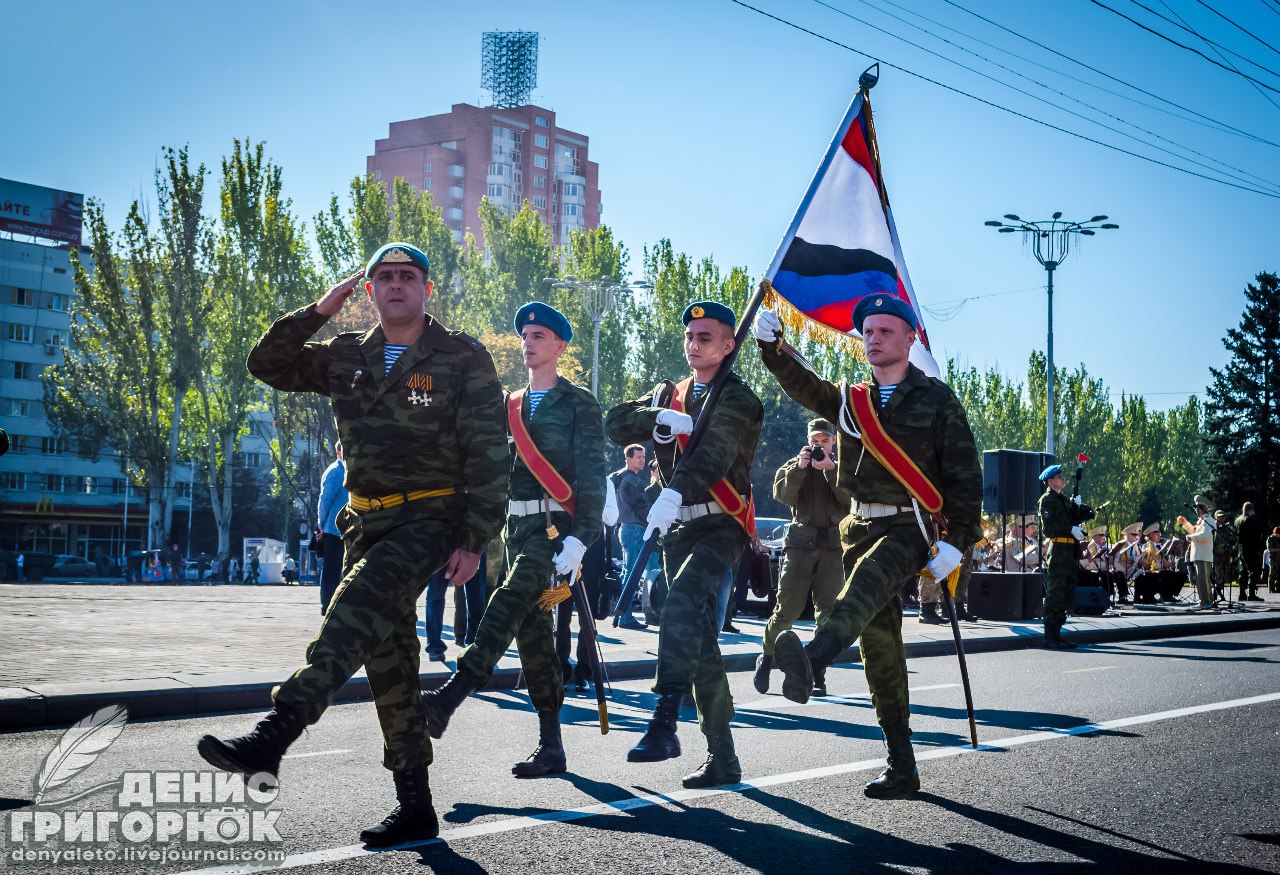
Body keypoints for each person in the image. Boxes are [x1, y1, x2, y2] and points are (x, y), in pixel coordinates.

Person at [196, 242, 508, 847]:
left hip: (430, 517)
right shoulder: (346, 354)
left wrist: (475, 538)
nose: (396, 285)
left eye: (408, 276)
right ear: (369, 290)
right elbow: (267, 364)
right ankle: (415, 805)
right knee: (390, 660)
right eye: (384, 277)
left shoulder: (461, 356)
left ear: (426, 288)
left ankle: (275, 733)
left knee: (351, 614)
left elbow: (490, 453)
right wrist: (318, 311)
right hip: (364, 523)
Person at [753, 294, 981, 800]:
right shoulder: (850, 400)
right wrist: (772, 348)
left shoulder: (937, 400)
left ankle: (814, 657)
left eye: (884, 331)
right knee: (879, 644)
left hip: (910, 526)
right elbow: (804, 385)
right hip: (856, 527)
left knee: (861, 589)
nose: (873, 339)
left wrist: (959, 541)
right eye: (868, 332)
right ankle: (901, 764)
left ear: (910, 338)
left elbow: (965, 475)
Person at [422, 302, 604, 780]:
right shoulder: (509, 406)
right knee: (533, 637)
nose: (529, 342)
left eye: (539, 336)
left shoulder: (578, 402)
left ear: (560, 346)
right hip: (516, 531)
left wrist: (582, 540)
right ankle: (552, 745)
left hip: (555, 531)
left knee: (506, 601)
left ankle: (451, 696)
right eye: (525, 335)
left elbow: (592, 476)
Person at [606, 300, 763, 789]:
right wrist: (657, 415)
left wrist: (673, 491)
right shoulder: (670, 393)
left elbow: (714, 455)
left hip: (720, 524)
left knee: (679, 602)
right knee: (700, 641)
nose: (694, 345)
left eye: (706, 337)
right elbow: (614, 424)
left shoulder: (737, 398)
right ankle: (723, 757)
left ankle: (665, 721)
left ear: (729, 345)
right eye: (690, 337)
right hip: (677, 529)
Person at [753, 419, 850, 697]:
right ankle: (766, 658)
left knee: (828, 614)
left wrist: (830, 470)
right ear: (808, 441)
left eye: (825, 441)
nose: (820, 446)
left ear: (834, 442)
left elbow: (850, 501)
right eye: (815, 441)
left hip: (832, 549)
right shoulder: (793, 466)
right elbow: (782, 496)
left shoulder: (843, 470)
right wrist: (800, 468)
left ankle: (817, 670)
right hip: (800, 548)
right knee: (787, 609)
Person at [1037, 464, 1094, 648]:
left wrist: (1078, 506)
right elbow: (1048, 529)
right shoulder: (1047, 500)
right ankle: (1049, 636)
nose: (1062, 479)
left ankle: (1057, 634)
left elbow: (1076, 517)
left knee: (1066, 592)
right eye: (1059, 477)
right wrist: (1070, 529)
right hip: (1059, 549)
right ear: (1050, 481)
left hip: (1070, 550)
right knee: (1055, 592)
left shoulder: (1064, 500)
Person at [614, 444, 652, 629]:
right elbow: (641, 507)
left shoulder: (618, 477)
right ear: (628, 459)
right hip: (634, 529)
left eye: (643, 457)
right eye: (638, 457)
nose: (642, 460)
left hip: (625, 528)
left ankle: (621, 615)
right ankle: (625, 617)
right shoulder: (632, 480)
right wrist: (652, 522)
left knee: (627, 573)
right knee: (632, 574)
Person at [317, 441, 349, 613]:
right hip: (332, 530)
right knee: (331, 569)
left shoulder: (344, 470)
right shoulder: (336, 471)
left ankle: (335, 605)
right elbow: (325, 499)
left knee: (338, 569)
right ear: (338, 452)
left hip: (342, 530)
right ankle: (327, 605)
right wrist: (321, 524)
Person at [1178, 497, 1215, 610]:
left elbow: (1206, 535)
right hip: (1200, 555)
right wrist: (1185, 523)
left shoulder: (1208, 520)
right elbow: (1195, 531)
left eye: (1198, 507)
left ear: (1203, 508)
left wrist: (1191, 537)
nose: (1196, 510)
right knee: (1200, 580)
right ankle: (1204, 601)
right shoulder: (1202, 520)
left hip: (1203, 555)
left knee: (1203, 580)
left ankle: (1207, 602)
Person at [1236, 503, 1266, 601]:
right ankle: (1251, 593)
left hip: (1240, 549)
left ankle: (1242, 593)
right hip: (1250, 548)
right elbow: (1256, 536)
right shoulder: (1250, 520)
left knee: (1242, 571)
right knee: (1253, 570)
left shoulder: (1237, 520)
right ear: (1251, 510)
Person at [1211, 510, 1237, 601]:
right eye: (1219, 517)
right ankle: (1215, 592)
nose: (1221, 519)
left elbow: (1232, 539)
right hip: (1215, 554)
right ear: (1215, 517)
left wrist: (1231, 530)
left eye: (1222, 517)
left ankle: (1218, 590)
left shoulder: (1226, 528)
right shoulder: (1212, 527)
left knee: (1224, 574)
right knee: (1216, 573)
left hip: (1224, 554)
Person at [1268, 527, 1280, 594]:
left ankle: (1278, 587)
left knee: (1278, 574)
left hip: (1278, 559)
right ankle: (1271, 588)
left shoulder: (1278, 539)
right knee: (1272, 573)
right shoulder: (1270, 539)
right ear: (1275, 533)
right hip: (1273, 559)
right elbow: (1270, 549)